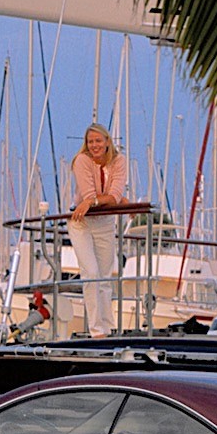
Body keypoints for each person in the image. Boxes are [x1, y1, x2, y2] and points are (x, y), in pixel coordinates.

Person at [69, 122, 128, 338]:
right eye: (90, 141)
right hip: (82, 222)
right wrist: (102, 200)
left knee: (105, 277)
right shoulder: (82, 161)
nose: (94, 145)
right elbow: (88, 194)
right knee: (91, 274)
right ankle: (97, 330)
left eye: (98, 141)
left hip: (104, 222)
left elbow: (113, 196)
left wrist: (101, 201)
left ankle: (107, 326)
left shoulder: (119, 161)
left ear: (107, 142)